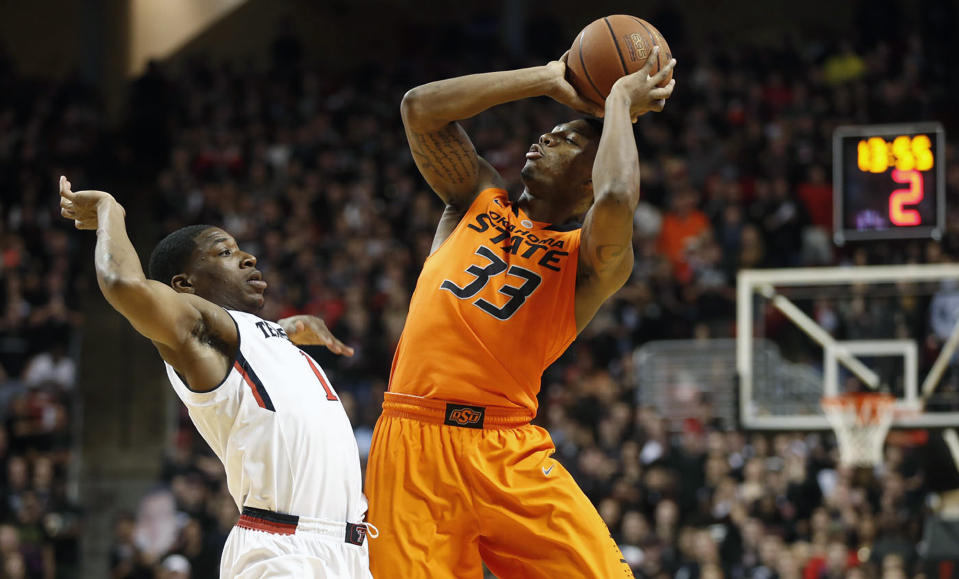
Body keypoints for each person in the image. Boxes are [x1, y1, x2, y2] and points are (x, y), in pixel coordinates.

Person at [365, 48, 676, 577]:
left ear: (589, 179)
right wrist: (546, 79)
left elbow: (620, 195)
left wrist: (620, 100)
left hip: (507, 447)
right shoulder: (477, 198)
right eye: (550, 131)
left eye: (568, 139)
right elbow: (419, 109)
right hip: (412, 441)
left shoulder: (592, 261)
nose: (546, 138)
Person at [58, 177, 373, 578]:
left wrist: (287, 329)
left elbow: (255, 336)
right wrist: (109, 210)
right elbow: (123, 284)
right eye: (224, 252)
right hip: (284, 551)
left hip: (349, 552)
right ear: (184, 286)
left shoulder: (258, 334)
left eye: (241, 250)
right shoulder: (200, 336)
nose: (248, 258)